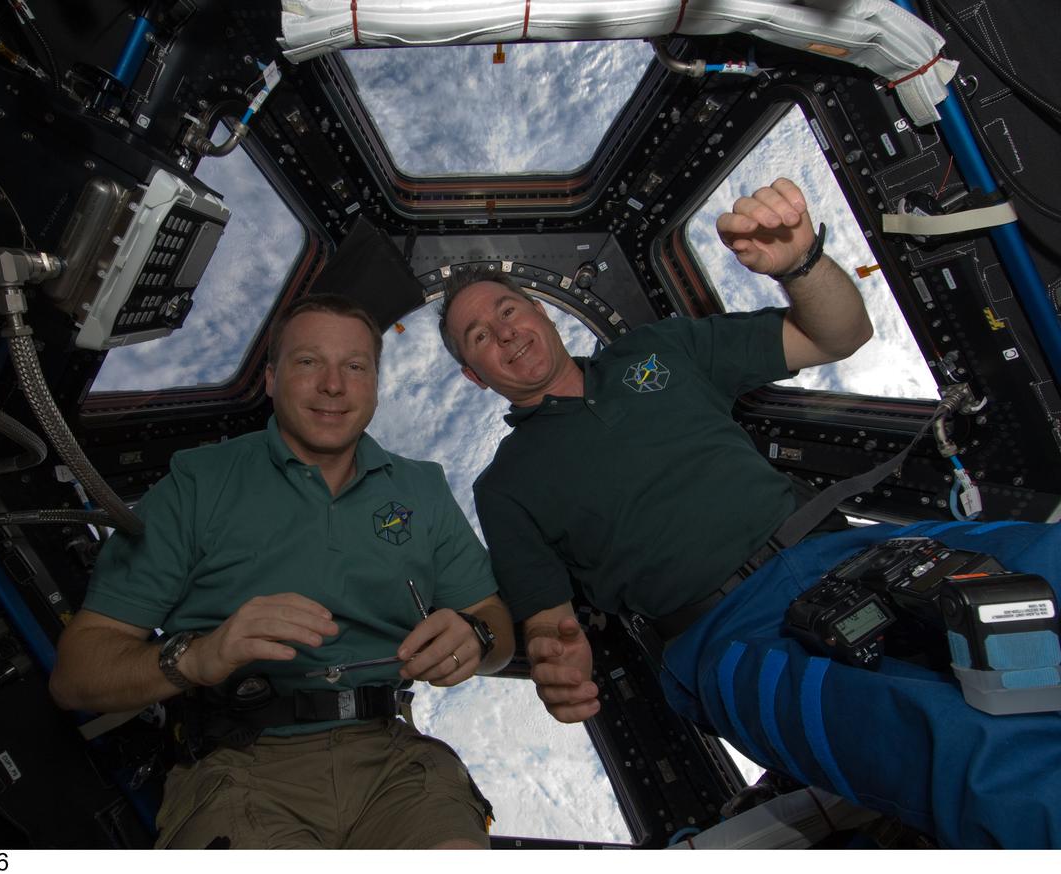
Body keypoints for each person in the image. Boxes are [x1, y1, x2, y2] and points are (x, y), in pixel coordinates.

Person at [438, 178, 1061, 848]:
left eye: (506, 309)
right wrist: (558, 666)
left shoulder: (659, 351)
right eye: (478, 337)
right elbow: (549, 622)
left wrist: (801, 263)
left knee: (1044, 566)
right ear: (477, 376)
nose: (503, 332)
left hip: (842, 553)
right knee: (959, 752)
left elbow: (837, 334)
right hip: (728, 637)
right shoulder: (504, 485)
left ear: (536, 309)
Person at [50, 294, 514, 849]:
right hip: (239, 769)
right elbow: (75, 676)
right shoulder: (198, 484)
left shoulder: (423, 489)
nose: (333, 385)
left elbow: (495, 625)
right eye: (308, 362)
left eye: (355, 366)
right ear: (269, 379)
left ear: (374, 384)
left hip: (394, 764)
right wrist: (197, 658)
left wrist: (479, 635)